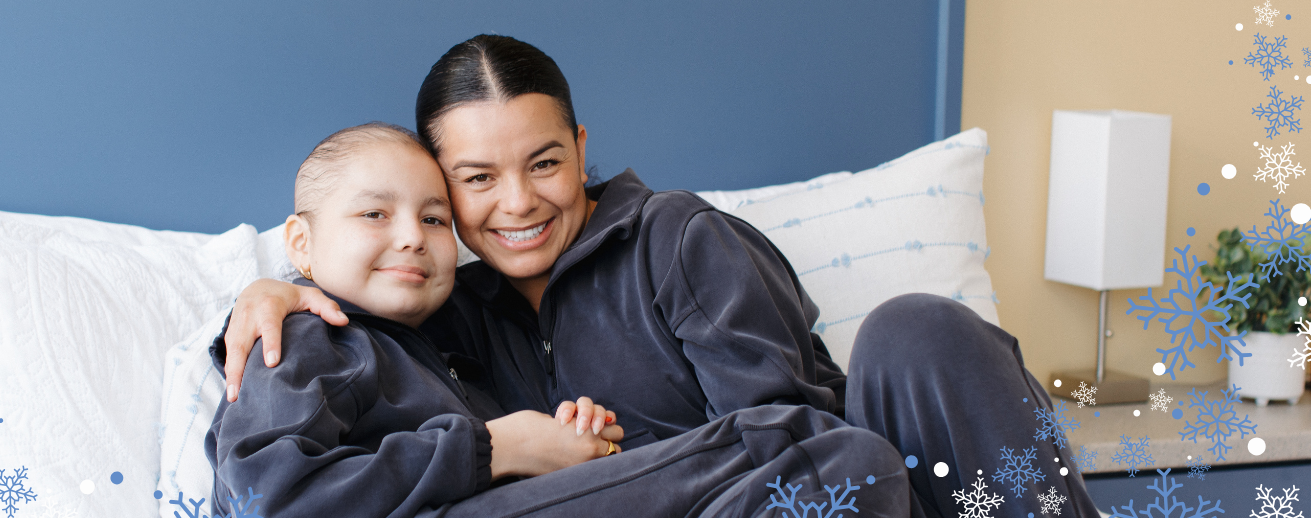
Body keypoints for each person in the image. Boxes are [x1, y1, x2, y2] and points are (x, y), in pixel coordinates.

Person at [219, 35, 1097, 517]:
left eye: (546, 162)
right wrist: (272, 295)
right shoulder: (453, 308)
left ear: (583, 151)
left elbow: (793, 432)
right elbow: (317, 392)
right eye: (477, 182)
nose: (518, 203)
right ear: (447, 190)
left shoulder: (679, 239)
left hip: (844, 493)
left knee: (916, 335)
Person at [206, 122, 909, 518]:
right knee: (816, 452)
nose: (413, 236)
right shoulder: (298, 338)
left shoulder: (450, 336)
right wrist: (492, 450)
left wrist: (567, 443)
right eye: (374, 214)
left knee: (837, 465)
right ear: (299, 241)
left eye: (434, 217)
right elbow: (263, 499)